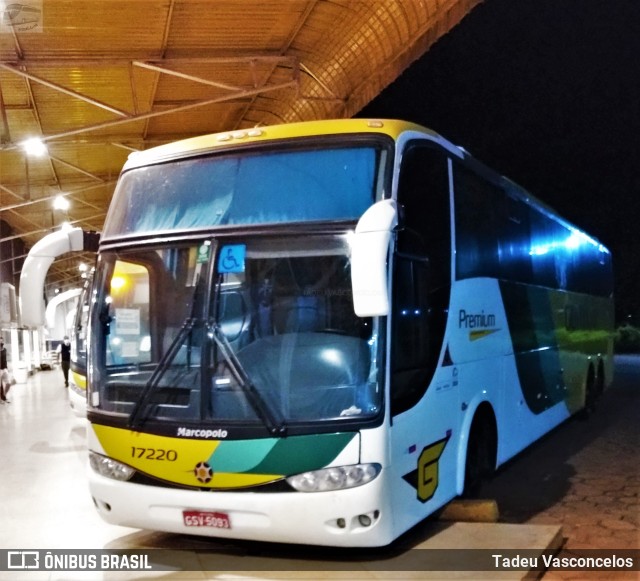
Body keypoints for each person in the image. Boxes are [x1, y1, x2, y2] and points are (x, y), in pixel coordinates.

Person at [0, 338, 10, 403]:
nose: (1, 343)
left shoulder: (5, 350)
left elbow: (5, 359)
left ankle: (4, 396)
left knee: (8, 383)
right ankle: (1, 399)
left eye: (2, 341)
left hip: (4, 369)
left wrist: (7, 367)